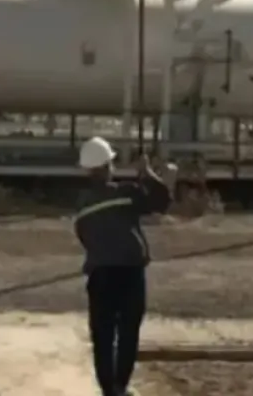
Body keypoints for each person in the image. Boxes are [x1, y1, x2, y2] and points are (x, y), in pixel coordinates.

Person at [72, 136, 177, 396]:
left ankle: (109, 389)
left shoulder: (83, 203)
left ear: (86, 169)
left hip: (99, 275)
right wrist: (146, 172)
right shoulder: (125, 194)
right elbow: (162, 201)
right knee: (128, 331)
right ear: (108, 166)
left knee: (102, 334)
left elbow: (84, 235)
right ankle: (121, 386)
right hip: (129, 273)